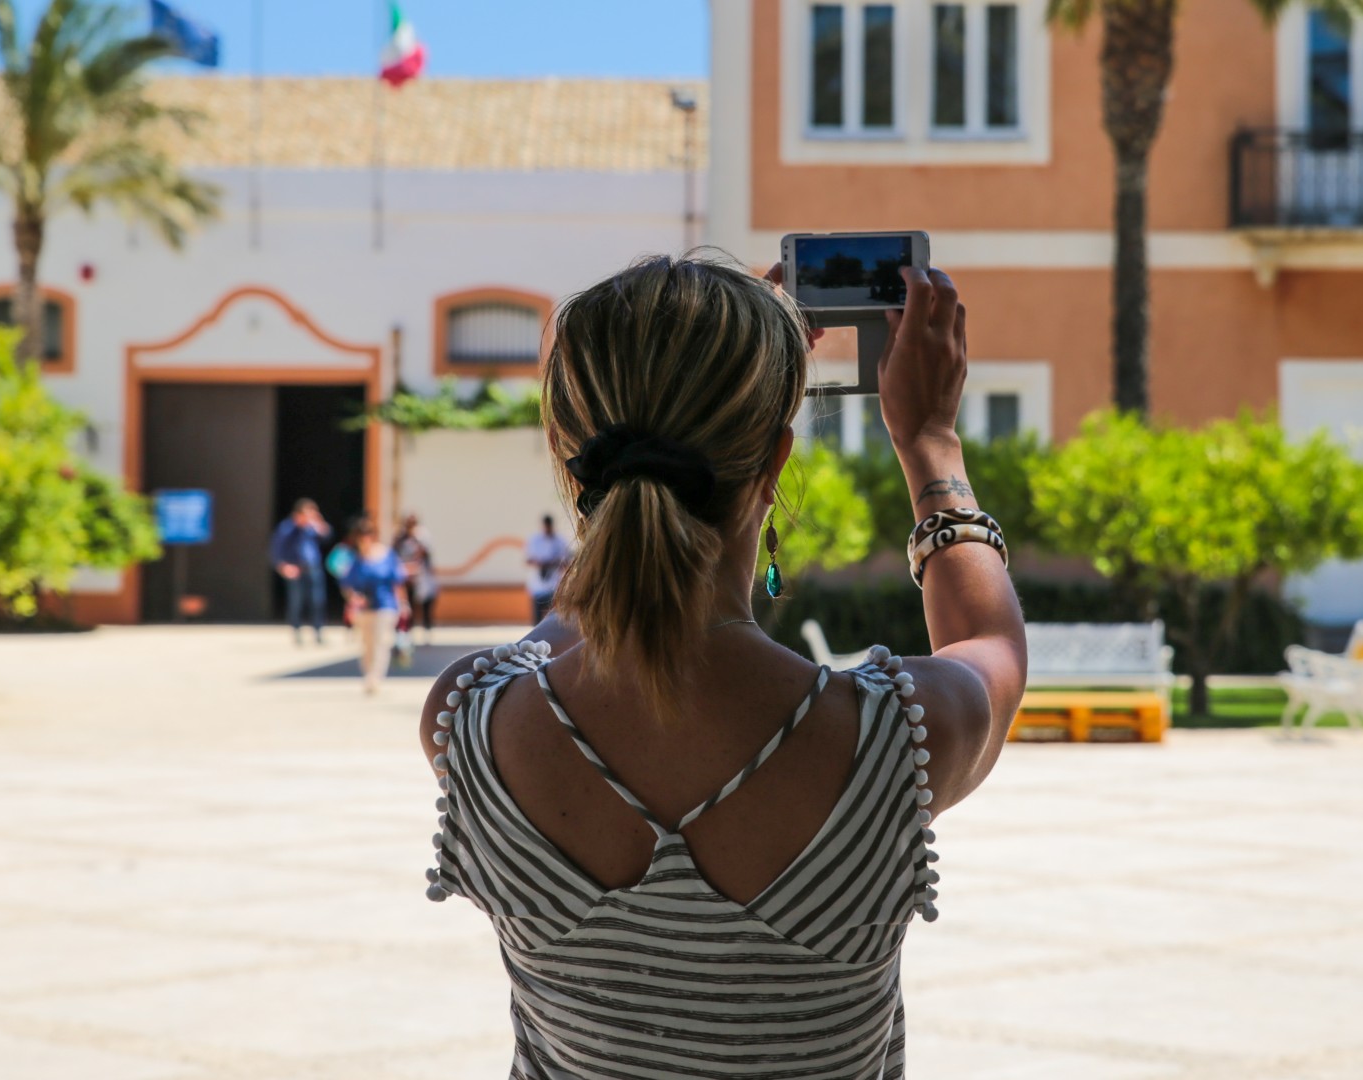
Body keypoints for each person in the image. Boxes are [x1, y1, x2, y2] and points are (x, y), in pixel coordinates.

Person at [420, 255, 1025, 1076]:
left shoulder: (471, 720)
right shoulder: (903, 737)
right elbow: (992, 647)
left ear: (571, 460)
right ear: (776, 463)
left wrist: (716, 381)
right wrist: (929, 444)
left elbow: (565, 630)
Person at [339, 516, 408, 696]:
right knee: (367, 644)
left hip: (385, 606)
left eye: (367, 534)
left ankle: (375, 678)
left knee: (381, 643)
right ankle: (368, 673)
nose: (365, 539)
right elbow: (347, 584)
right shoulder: (356, 559)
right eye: (361, 536)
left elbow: (397, 582)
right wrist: (354, 598)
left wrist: (403, 603)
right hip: (364, 610)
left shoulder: (387, 556)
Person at [270, 498, 331, 645]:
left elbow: (327, 537)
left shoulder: (312, 528)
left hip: (313, 569)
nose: (309, 517)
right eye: (307, 513)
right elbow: (275, 550)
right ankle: (296, 632)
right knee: (296, 603)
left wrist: (320, 525)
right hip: (296, 570)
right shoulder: (286, 528)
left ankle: (318, 632)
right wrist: (284, 566)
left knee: (317, 601)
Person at [392, 514, 438, 648]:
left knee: (426, 605)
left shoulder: (422, 536)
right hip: (406, 578)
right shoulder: (400, 538)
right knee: (407, 606)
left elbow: (428, 555)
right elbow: (395, 556)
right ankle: (406, 633)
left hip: (422, 577)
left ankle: (427, 631)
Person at [522, 514, 569, 624]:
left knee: (552, 618)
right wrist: (541, 564)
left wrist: (553, 563)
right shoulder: (535, 540)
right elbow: (528, 560)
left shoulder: (560, 541)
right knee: (537, 619)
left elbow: (566, 561)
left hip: (554, 585)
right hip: (538, 585)